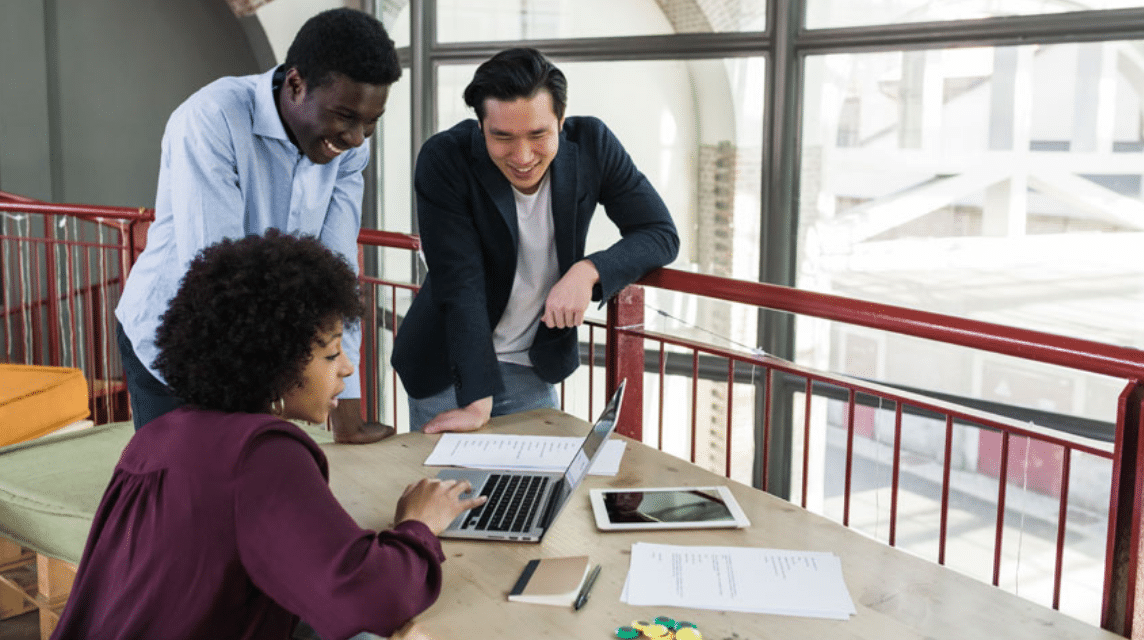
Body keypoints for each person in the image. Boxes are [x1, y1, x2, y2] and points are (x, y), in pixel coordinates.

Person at [51, 231, 485, 640]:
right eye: (331, 353)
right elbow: (369, 599)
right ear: (275, 362)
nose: (347, 369)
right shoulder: (260, 453)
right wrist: (418, 526)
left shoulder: (155, 437)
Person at [115, 8, 398, 442]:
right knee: (184, 485)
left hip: (260, 346)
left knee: (248, 478)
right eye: (345, 116)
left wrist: (347, 406)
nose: (357, 138)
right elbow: (217, 281)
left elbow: (338, 273)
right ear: (296, 84)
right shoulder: (212, 120)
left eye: (371, 122)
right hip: (175, 335)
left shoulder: (346, 147)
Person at [391, 47, 679, 433]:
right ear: (480, 127)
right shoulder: (445, 158)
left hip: (532, 364)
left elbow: (659, 232)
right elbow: (460, 281)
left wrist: (588, 271)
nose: (522, 156)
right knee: (452, 490)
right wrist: (477, 401)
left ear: (561, 120)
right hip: (450, 365)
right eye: (502, 137)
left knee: (537, 488)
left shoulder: (593, 144)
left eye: (538, 135)